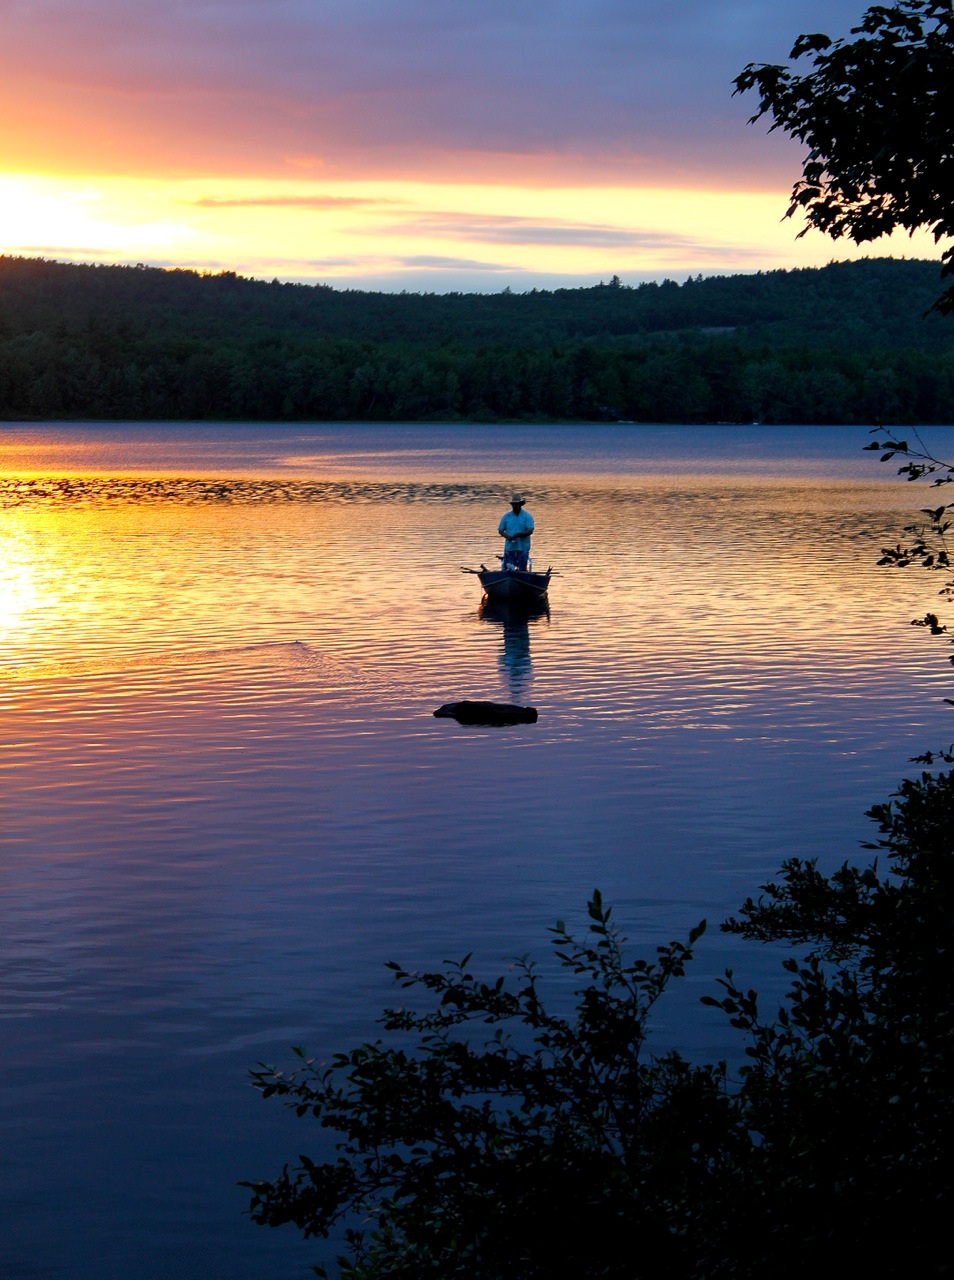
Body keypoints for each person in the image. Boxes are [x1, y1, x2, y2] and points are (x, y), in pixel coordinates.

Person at [498, 494, 534, 570]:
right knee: (508, 568)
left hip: (523, 547)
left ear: (520, 504)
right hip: (510, 547)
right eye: (513, 504)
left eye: (517, 504)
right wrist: (507, 536)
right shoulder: (506, 516)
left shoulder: (527, 516)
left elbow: (530, 530)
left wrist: (518, 534)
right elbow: (500, 530)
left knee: (522, 569)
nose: (515, 506)